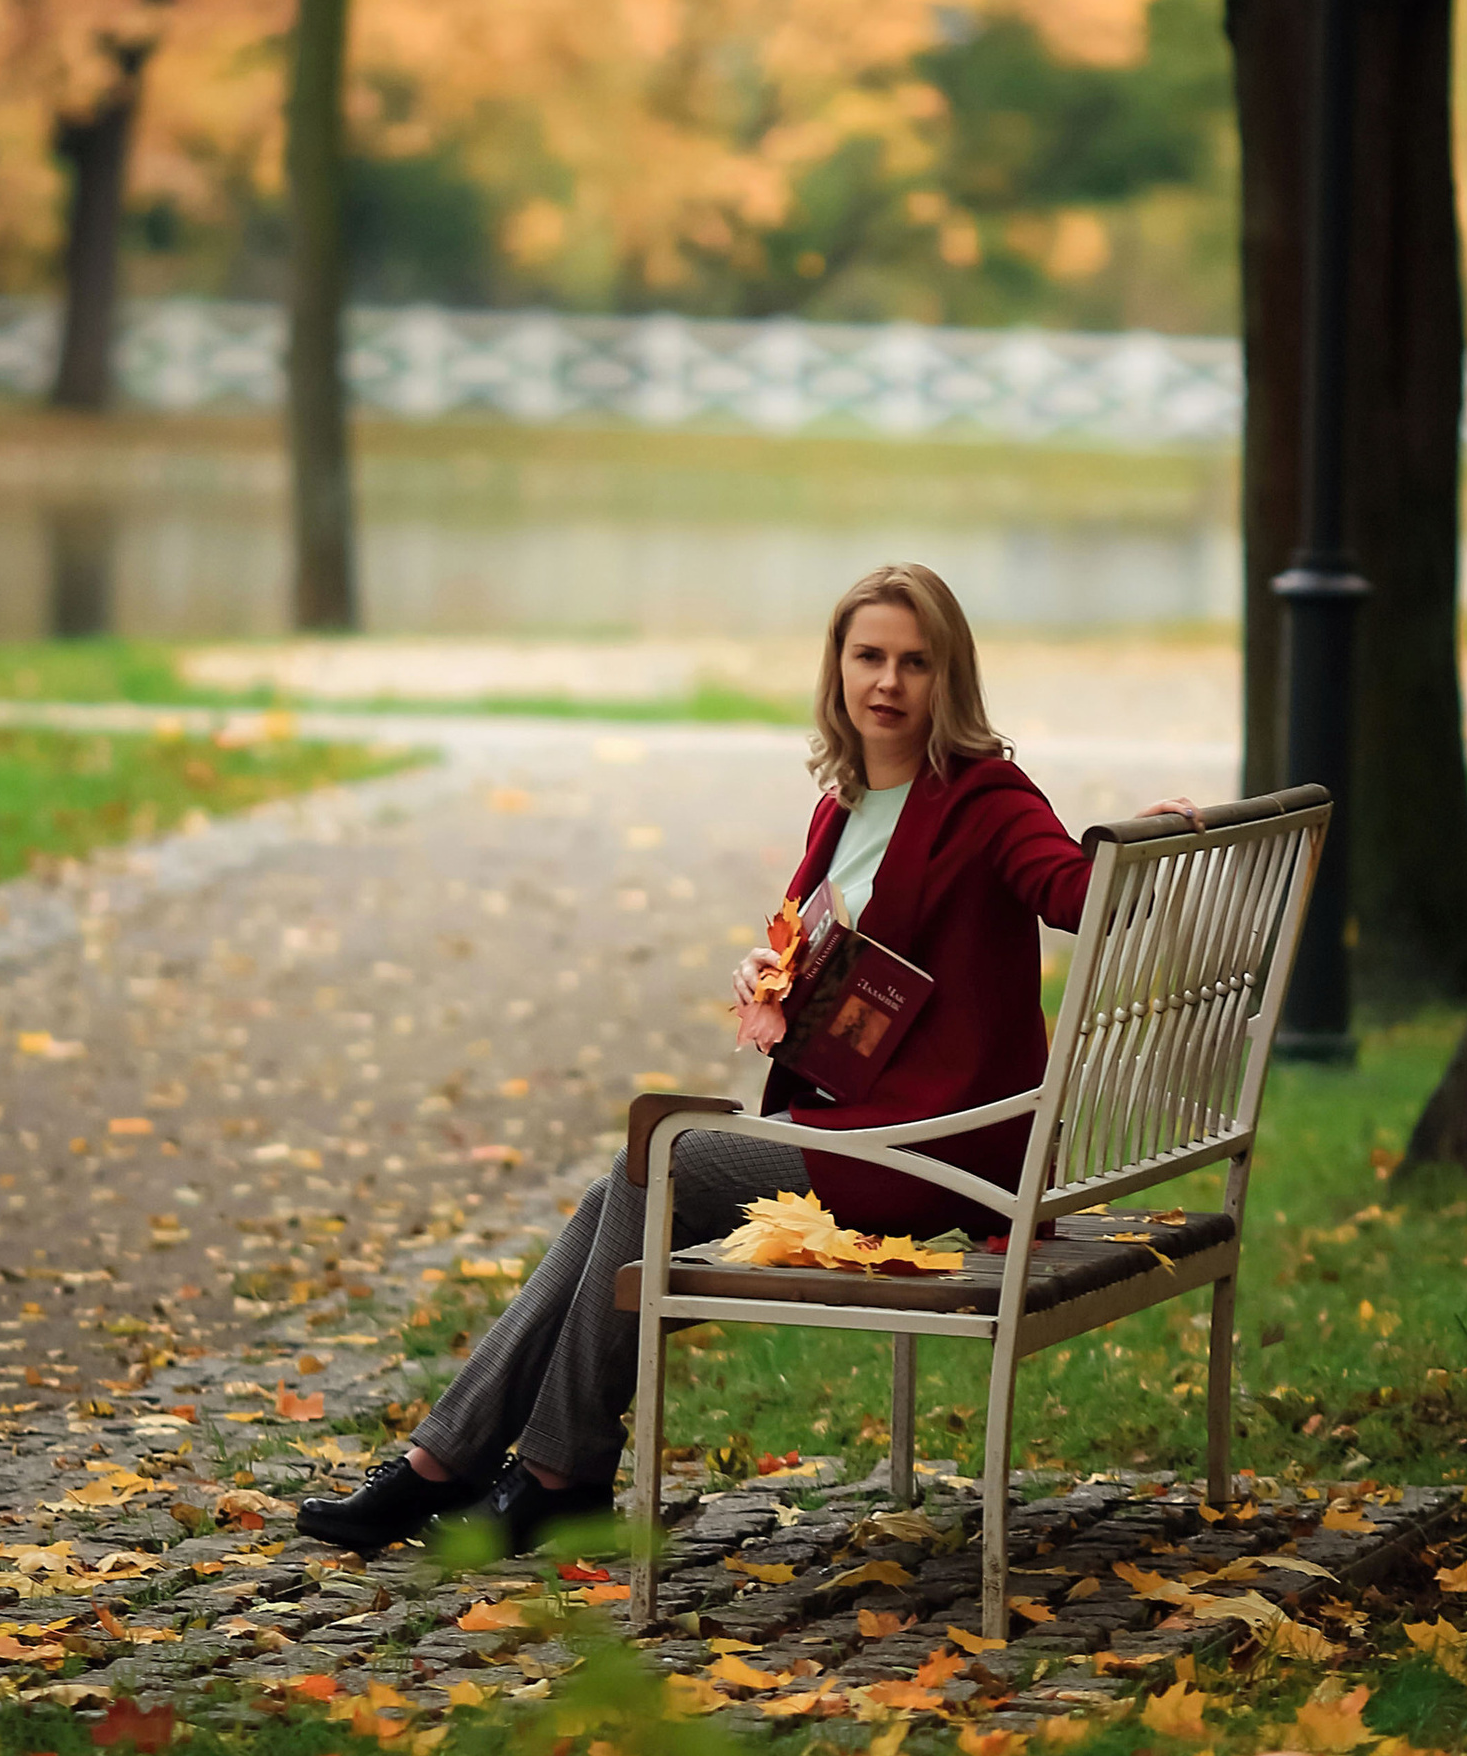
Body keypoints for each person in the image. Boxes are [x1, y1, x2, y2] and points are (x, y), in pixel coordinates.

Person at [296, 561, 1103, 1560]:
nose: (887, 682)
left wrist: (1146, 837)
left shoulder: (984, 795)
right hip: (859, 1121)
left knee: (657, 1161)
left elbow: (1064, 885)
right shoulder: (842, 804)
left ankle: (524, 1469)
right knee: (617, 1196)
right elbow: (846, 972)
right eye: (868, 656)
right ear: (837, 667)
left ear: (951, 677)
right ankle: (481, 1465)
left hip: (934, 1140)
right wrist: (774, 971)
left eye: (914, 661)